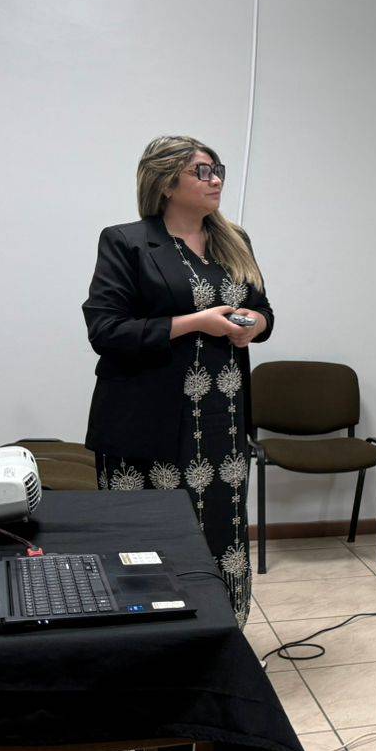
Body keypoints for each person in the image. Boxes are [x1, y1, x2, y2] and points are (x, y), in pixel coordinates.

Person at [83, 135, 273, 626]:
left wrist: (254, 324)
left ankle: (223, 636)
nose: (215, 180)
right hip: (148, 424)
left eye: (217, 170)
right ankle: (152, 644)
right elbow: (106, 330)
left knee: (221, 536)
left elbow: (263, 310)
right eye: (201, 171)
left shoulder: (235, 240)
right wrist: (195, 323)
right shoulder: (127, 242)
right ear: (167, 183)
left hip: (222, 422)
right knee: (149, 545)